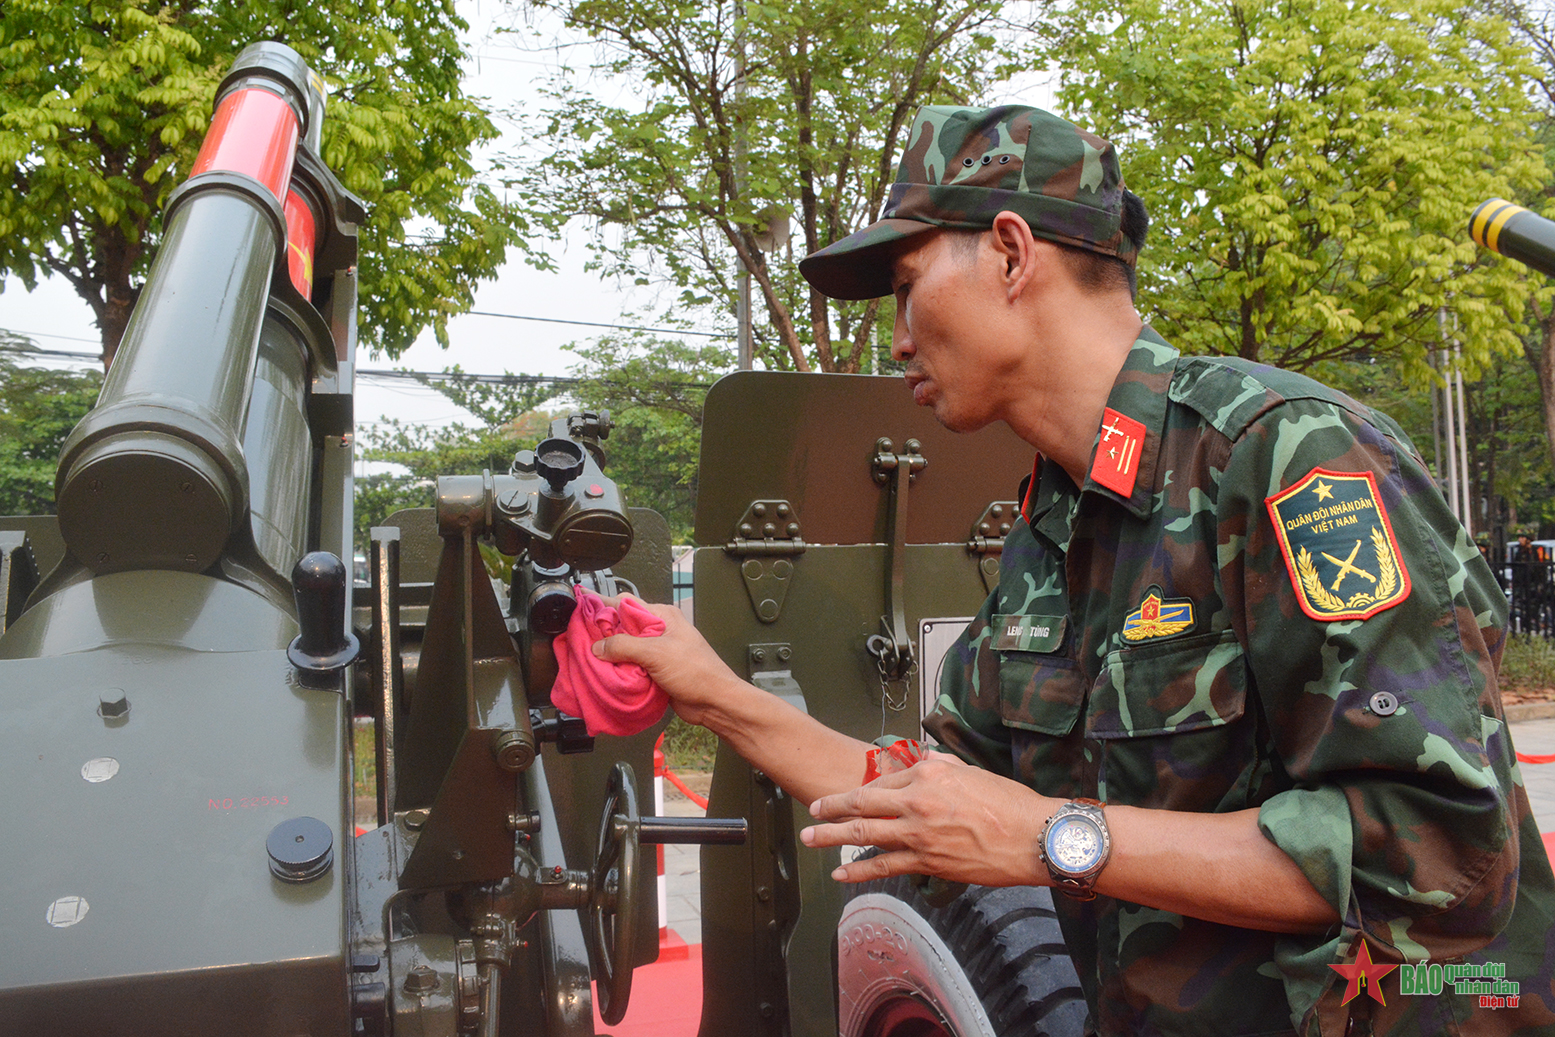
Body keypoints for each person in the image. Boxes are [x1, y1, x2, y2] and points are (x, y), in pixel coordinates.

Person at [596, 105, 1555, 1034]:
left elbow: (1444, 853)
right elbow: (933, 797)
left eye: (905, 285)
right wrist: (706, 688)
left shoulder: (1282, 455)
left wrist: (1056, 836)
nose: (894, 339)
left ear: (1010, 254)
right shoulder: (1053, 524)